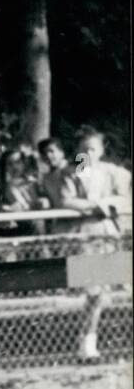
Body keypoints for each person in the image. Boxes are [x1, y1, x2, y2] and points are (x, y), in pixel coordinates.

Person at [60, 129, 132, 360]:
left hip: (108, 234)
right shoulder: (75, 171)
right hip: (85, 234)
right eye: (83, 149)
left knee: (103, 292)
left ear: (101, 150)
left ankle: (93, 340)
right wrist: (94, 206)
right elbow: (67, 199)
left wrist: (107, 202)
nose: (88, 153)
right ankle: (86, 342)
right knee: (92, 290)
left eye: (92, 148)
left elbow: (123, 198)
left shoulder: (113, 172)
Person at [0, 148, 46, 239]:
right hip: (22, 223)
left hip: (40, 220)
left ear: (24, 163)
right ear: (5, 167)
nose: (14, 167)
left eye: (18, 162)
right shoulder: (4, 188)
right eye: (10, 164)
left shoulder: (34, 183)